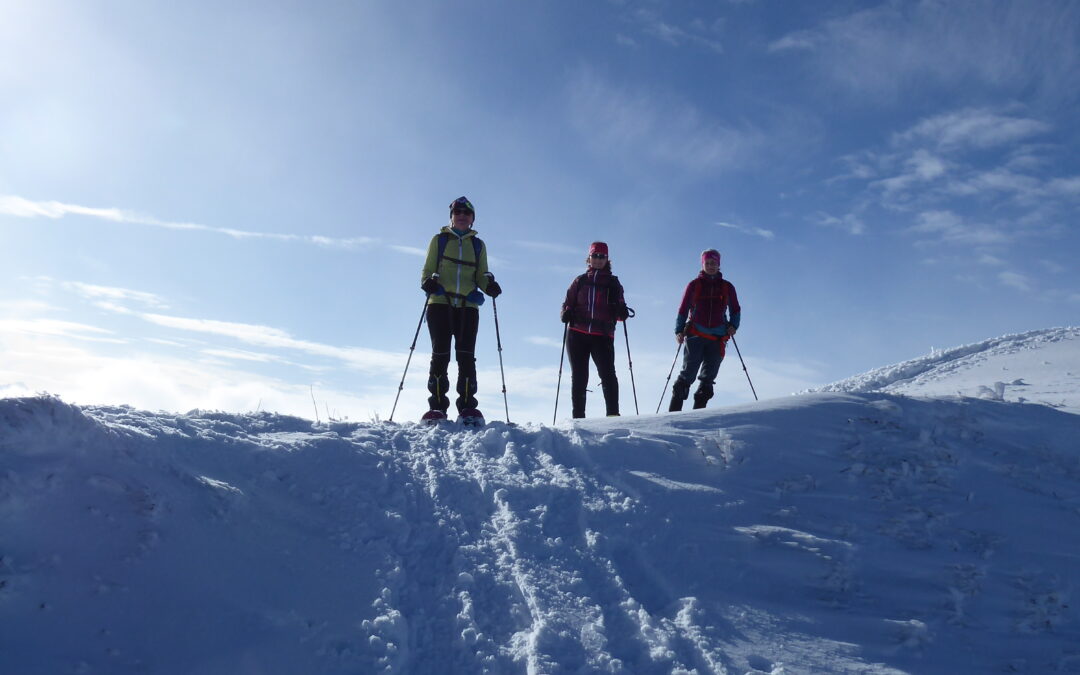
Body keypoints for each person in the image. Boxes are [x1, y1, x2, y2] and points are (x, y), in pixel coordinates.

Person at [420, 196, 501, 422]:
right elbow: (427, 270)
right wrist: (428, 283)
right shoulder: (439, 240)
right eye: (458, 213)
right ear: (452, 217)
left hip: (468, 306)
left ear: (472, 219)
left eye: (466, 213)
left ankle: (467, 407)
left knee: (466, 357)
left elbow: (482, 274)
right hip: (439, 304)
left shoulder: (478, 245)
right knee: (440, 355)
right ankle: (437, 407)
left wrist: (489, 286)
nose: (462, 217)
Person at [560, 242, 629, 418]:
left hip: (602, 335)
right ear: (589, 258)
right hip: (577, 333)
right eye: (595, 256)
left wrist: (622, 312)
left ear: (607, 259)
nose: (598, 259)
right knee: (579, 376)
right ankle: (578, 418)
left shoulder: (613, 283)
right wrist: (565, 313)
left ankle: (613, 415)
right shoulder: (580, 281)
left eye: (602, 256)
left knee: (607, 374)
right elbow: (568, 302)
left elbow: (620, 310)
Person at [668, 249, 740, 412]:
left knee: (707, 380)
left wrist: (733, 326)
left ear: (719, 264)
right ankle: (672, 417)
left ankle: (698, 418)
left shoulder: (727, 287)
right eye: (707, 263)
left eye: (713, 263)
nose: (710, 266)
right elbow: (683, 308)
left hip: (717, 338)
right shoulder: (694, 285)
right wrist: (678, 330)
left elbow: (735, 309)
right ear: (703, 264)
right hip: (696, 336)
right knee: (687, 375)